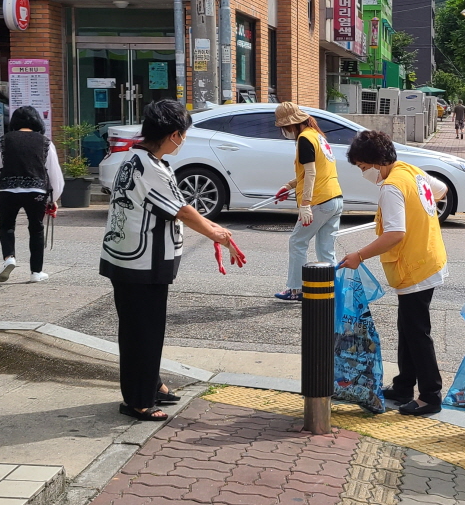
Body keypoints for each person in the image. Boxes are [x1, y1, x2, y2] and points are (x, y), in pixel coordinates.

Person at [101, 99, 245, 422]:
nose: (183, 140)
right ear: (174, 135)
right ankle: (138, 400)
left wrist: (215, 230)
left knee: (142, 329)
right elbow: (182, 210)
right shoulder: (149, 168)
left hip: (131, 259)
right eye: (183, 134)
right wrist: (216, 233)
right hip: (140, 263)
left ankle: (151, 385)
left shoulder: (139, 159)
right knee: (143, 332)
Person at [340, 129, 448, 416]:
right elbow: (442, 191)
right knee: (408, 328)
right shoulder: (411, 172)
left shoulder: (391, 187)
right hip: (428, 258)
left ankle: (430, 395)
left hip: (415, 266)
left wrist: (358, 255)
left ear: (376, 161)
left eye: (363, 167)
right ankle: (403, 386)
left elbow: (395, 233)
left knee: (417, 332)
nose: (364, 173)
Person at [270, 103, 345, 302]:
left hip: (319, 201)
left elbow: (311, 173)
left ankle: (296, 289)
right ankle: (335, 290)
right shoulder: (318, 136)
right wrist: (289, 186)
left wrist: (305, 204)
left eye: (284, 128)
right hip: (335, 198)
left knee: (297, 242)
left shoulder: (304, 139)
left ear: (291, 124)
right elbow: (314, 171)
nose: (284, 132)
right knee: (326, 249)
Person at [0, 105, 63, 284]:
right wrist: (54, 198)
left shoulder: (3, 141)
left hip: (8, 190)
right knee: (36, 229)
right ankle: (36, 272)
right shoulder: (45, 142)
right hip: (36, 191)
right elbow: (54, 173)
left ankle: (9, 258)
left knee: (6, 226)